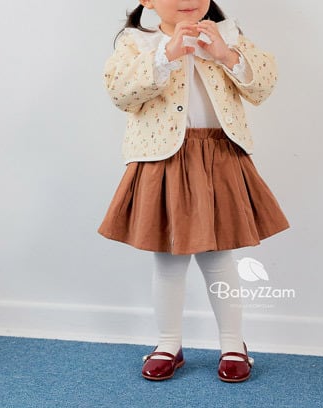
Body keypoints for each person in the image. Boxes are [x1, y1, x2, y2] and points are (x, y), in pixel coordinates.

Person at [98, 0, 289, 382]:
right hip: (163, 159)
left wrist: (225, 54)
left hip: (219, 156)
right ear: (147, 1)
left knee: (219, 257)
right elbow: (120, 94)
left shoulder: (227, 35)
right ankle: (168, 343)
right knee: (168, 260)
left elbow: (263, 86)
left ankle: (233, 344)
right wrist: (165, 56)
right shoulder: (137, 43)